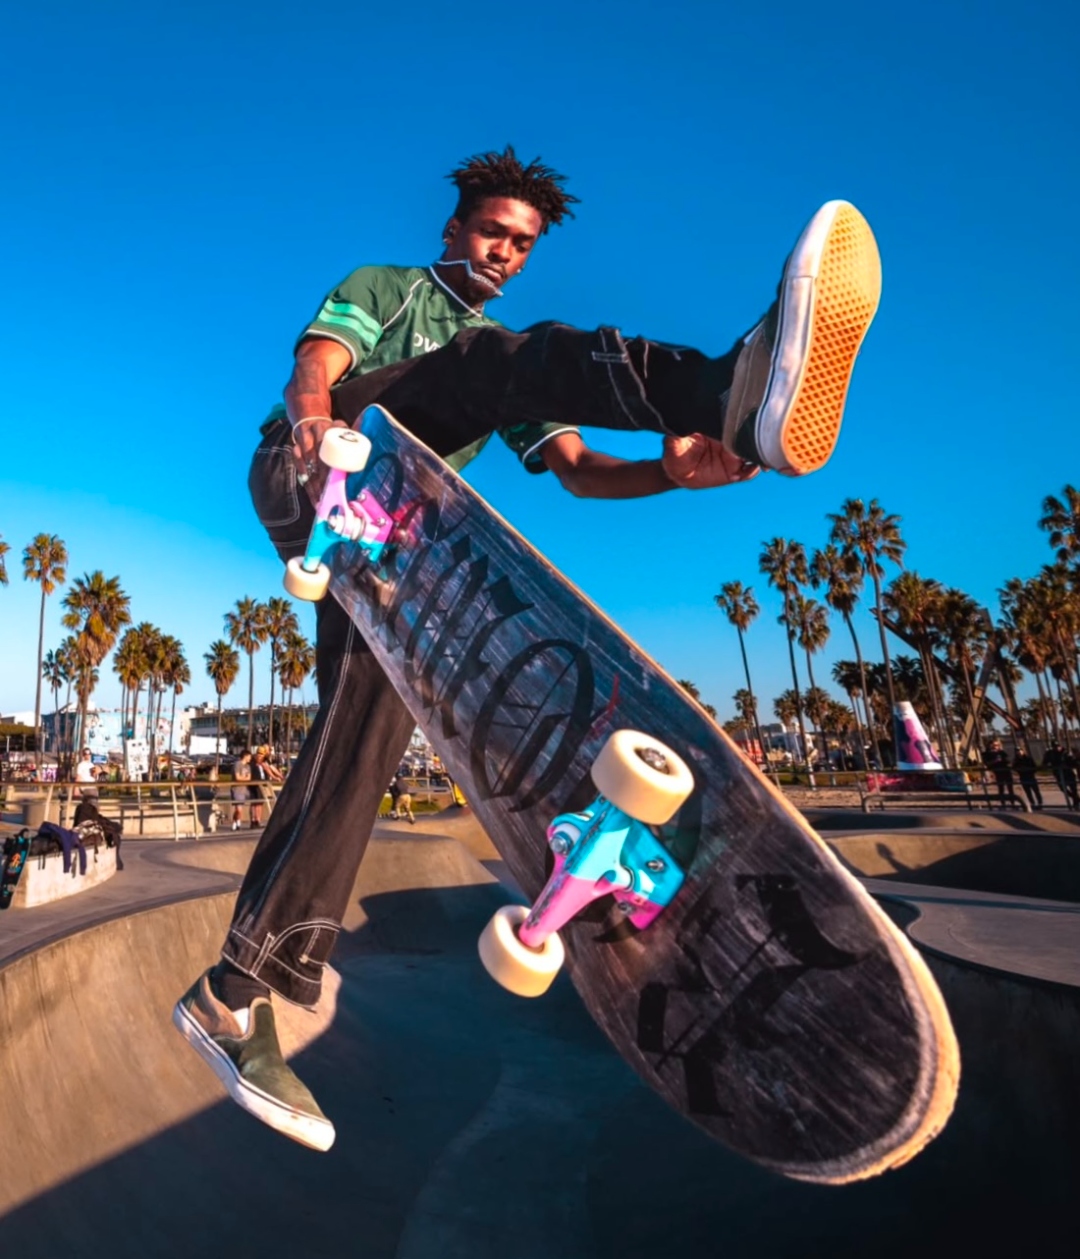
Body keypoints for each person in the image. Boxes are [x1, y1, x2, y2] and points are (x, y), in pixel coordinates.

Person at [174, 146, 882, 1153]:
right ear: (453, 229)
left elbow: (578, 469)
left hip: (391, 532)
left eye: (523, 244)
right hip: (312, 472)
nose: (505, 253)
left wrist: (672, 475)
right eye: (492, 233)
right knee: (490, 364)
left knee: (368, 726)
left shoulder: (503, 360)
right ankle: (721, 386)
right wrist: (313, 422)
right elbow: (316, 362)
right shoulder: (393, 290)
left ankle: (236, 990)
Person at [985, 739, 1021, 809]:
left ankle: (1012, 803)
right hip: (998, 772)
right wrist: (995, 761)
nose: (995, 747)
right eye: (994, 745)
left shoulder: (1002, 752)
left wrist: (1007, 761)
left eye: (997, 745)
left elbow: (1008, 760)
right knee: (1001, 789)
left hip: (1006, 772)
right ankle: (1003, 804)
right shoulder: (988, 754)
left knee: (1010, 788)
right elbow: (987, 764)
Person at [1012, 745, 1043, 811]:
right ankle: (1032, 803)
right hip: (1023, 777)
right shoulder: (1016, 760)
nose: (1019, 752)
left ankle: (1040, 803)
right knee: (1028, 792)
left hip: (1030, 776)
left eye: (1020, 750)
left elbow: (1034, 766)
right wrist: (1020, 770)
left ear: (1023, 751)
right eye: (1017, 751)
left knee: (1036, 791)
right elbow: (1014, 768)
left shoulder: (1028, 758)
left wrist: (1029, 770)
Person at [230, 752, 252, 831]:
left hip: (244, 789)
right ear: (245, 756)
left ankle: (236, 822)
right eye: (249, 757)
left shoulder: (248, 766)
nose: (250, 758)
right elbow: (237, 778)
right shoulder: (237, 764)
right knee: (238, 808)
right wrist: (244, 778)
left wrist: (243, 778)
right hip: (237, 789)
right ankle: (237, 822)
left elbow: (249, 778)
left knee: (240, 808)